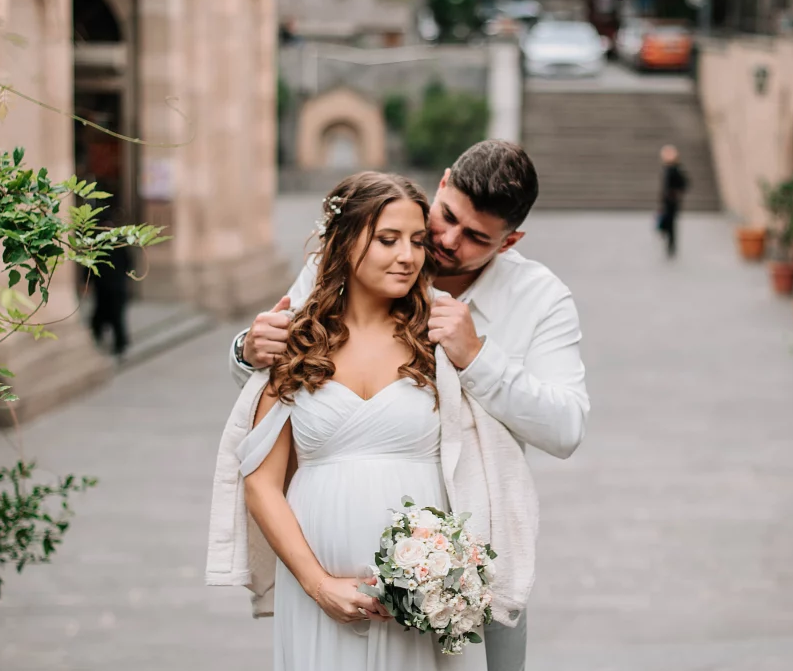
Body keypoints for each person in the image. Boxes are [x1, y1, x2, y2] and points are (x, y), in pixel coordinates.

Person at [230, 140, 590, 671]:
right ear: (442, 184)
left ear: (510, 241)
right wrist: (245, 347)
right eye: (445, 218)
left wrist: (477, 359)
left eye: (476, 238)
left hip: (461, 562)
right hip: (322, 575)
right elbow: (284, 371)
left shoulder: (541, 298)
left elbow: (565, 428)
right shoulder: (364, 252)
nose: (444, 241)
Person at [240, 172, 486, 671]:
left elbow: (484, 457)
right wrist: (318, 584)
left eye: (418, 241)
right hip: (316, 595)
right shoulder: (299, 341)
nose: (408, 256)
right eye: (388, 239)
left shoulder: (437, 339)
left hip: (419, 596)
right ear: (345, 242)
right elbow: (261, 483)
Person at [90, 215, 132, 359]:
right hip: (111, 287)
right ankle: (117, 343)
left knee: (112, 317)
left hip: (107, 287)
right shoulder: (117, 243)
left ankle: (118, 343)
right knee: (110, 316)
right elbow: (129, 264)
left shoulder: (104, 243)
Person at [658, 144, 688, 258]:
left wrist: (674, 192)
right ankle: (670, 245)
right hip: (666, 201)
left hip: (672, 201)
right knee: (667, 223)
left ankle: (671, 246)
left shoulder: (676, 169)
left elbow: (684, 184)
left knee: (671, 224)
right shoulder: (667, 168)